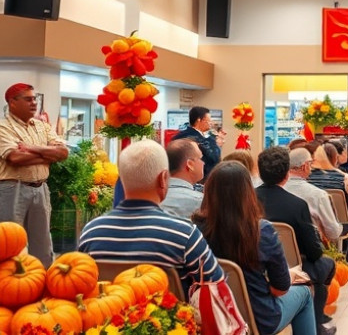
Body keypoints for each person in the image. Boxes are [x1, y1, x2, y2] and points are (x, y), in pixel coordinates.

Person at [78, 140, 224, 297]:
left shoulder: (91, 233)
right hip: (170, 319)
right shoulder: (185, 235)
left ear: (122, 180)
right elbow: (218, 288)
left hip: (107, 319)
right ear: (163, 179)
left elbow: (80, 283)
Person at [194, 161, 318, 335]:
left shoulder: (195, 230)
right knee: (304, 292)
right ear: (248, 192)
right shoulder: (261, 230)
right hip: (259, 319)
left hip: (212, 315)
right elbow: (280, 289)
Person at [255, 147, 337, 335]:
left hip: (254, 267)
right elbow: (314, 252)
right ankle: (317, 325)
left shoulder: (247, 199)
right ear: (286, 173)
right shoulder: (296, 205)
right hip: (294, 266)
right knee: (324, 265)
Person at [0, 83, 68, 267]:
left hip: (41, 189)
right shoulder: (3, 127)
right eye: (28, 99)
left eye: (34, 99)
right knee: (10, 243)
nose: (34, 103)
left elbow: (62, 153)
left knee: (43, 243)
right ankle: (8, 286)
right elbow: (15, 157)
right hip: (12, 188)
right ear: (12, 103)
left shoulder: (42, 126)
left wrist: (32, 148)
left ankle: (43, 284)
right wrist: (47, 156)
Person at [309, 143, 348, 263]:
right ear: (334, 157)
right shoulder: (343, 176)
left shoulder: (309, 176)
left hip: (315, 219)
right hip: (341, 219)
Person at [286, 147, 344, 244]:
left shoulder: (277, 191)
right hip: (310, 250)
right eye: (310, 163)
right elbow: (333, 233)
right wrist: (340, 226)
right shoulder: (318, 195)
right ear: (305, 166)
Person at [171, 106, 223, 181]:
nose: (211, 123)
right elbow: (214, 157)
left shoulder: (179, 136)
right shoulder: (190, 137)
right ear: (199, 120)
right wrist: (216, 144)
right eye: (208, 120)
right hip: (199, 180)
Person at [159, 139, 205, 219]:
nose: (203, 163)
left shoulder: (154, 197)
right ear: (190, 164)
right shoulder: (201, 203)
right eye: (200, 158)